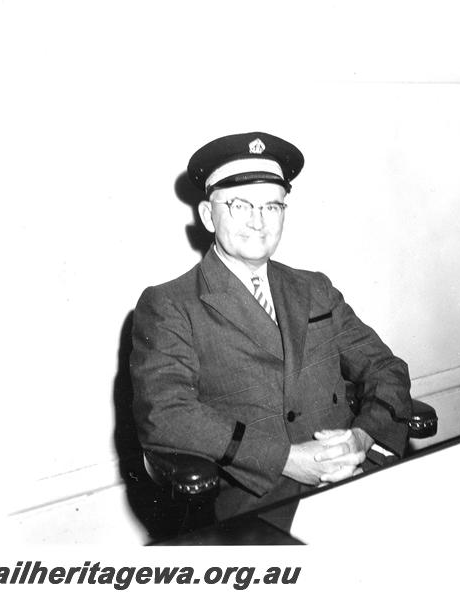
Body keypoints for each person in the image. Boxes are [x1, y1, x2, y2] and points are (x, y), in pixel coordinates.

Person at [130, 131, 412, 530]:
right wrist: (287, 460)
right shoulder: (171, 305)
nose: (258, 222)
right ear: (209, 216)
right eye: (240, 205)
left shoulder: (314, 288)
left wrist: (363, 438)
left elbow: (386, 369)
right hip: (262, 500)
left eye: (272, 206)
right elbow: (166, 414)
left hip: (357, 472)